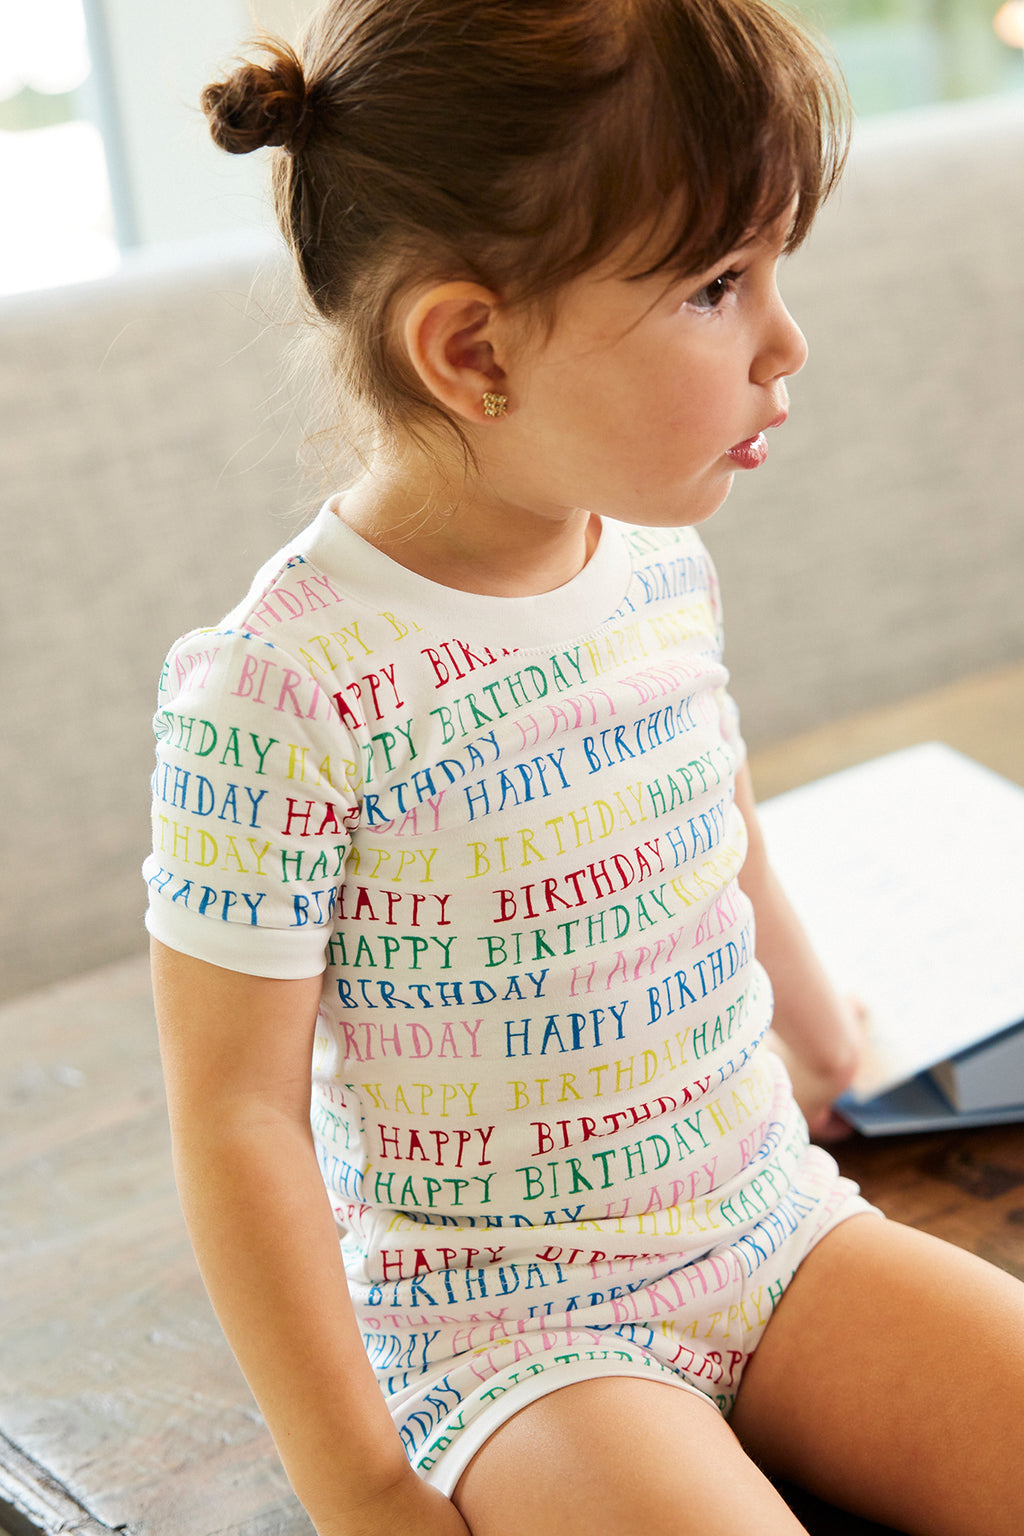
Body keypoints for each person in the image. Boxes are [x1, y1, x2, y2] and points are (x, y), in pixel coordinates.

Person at [145, 3, 1024, 1533]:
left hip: (771, 1222)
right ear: (472, 348)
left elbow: (709, 807)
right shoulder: (279, 690)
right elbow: (239, 1121)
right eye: (715, 286)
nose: (785, 341)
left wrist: (823, 1041)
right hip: (520, 1339)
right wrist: (359, 1485)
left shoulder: (660, 560)